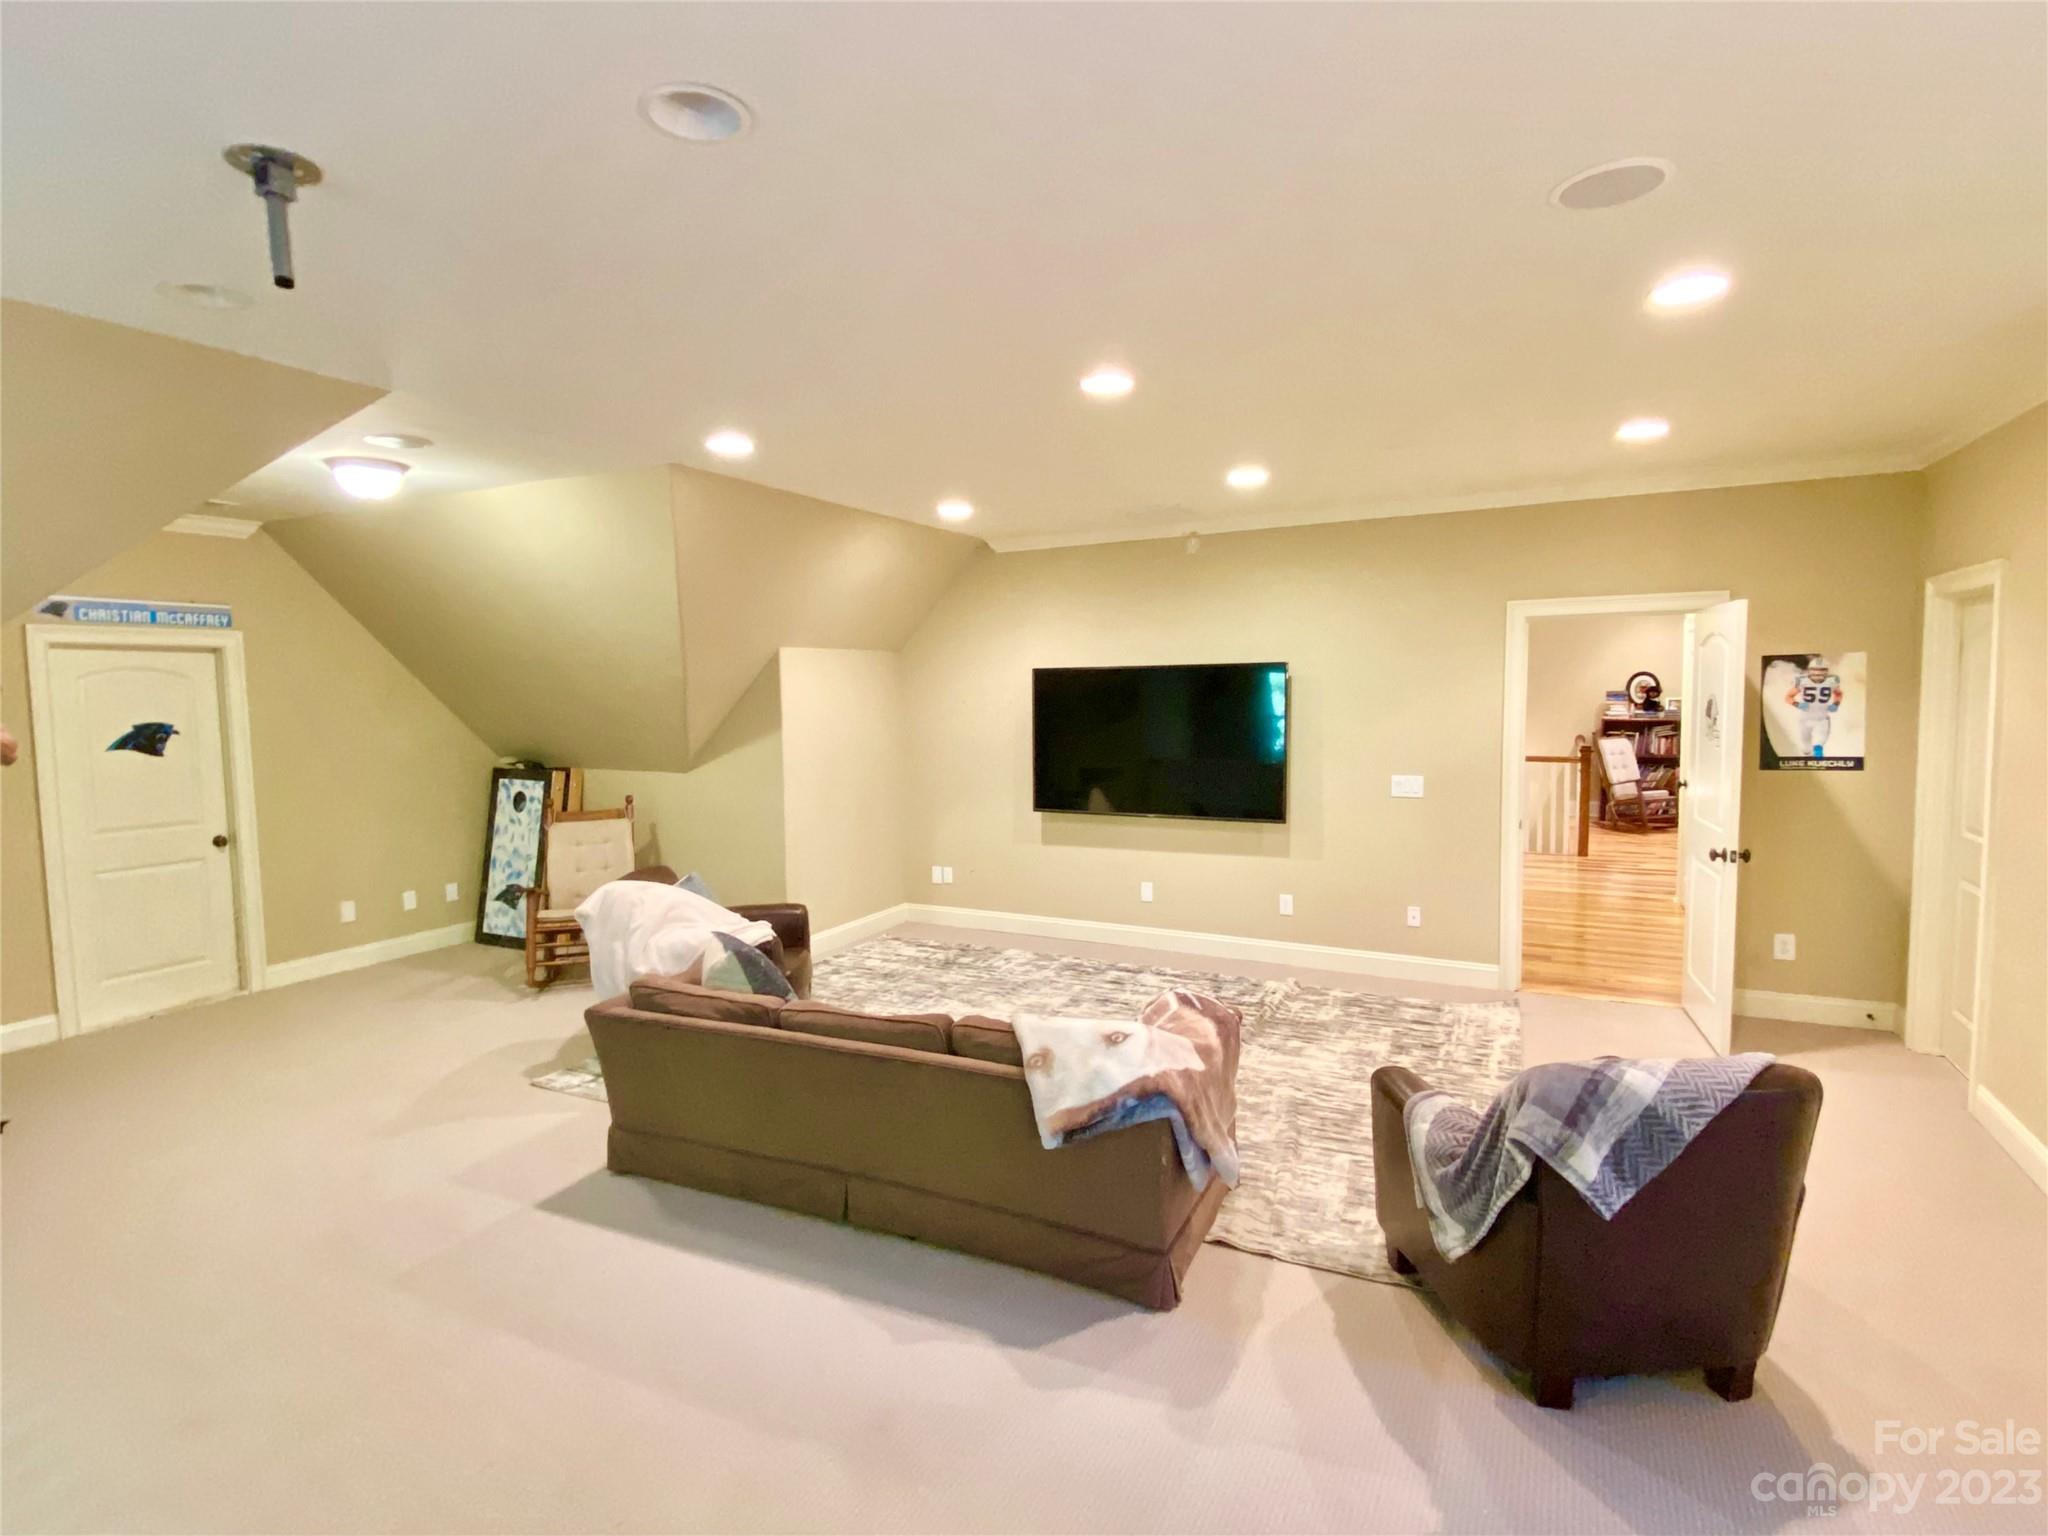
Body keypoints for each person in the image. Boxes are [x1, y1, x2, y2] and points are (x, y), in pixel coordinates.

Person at [1785, 656, 1843, 759]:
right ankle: (1809, 756)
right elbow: (1788, 697)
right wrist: (1798, 704)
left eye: (1821, 670)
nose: (1818, 673)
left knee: (1819, 744)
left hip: (1822, 718)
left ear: (1826, 671)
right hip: (1805, 719)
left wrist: (1836, 704)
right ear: (1809, 670)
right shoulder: (1802, 681)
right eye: (1815, 669)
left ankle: (1818, 754)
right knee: (1806, 748)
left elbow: (1838, 694)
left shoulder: (1831, 681)